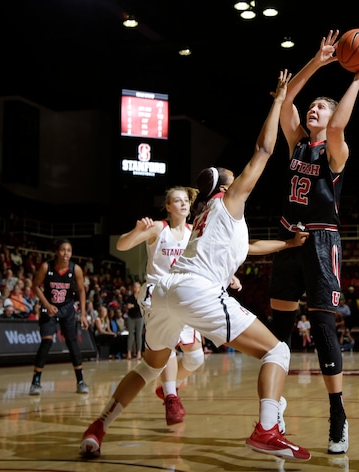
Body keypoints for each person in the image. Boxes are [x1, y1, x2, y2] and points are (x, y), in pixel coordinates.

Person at [80, 70, 312, 462]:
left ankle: (98, 426)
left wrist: (288, 244)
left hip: (167, 293)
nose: (237, 174)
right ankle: (267, 429)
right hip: (196, 290)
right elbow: (265, 150)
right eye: (230, 174)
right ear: (224, 184)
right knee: (278, 353)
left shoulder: (211, 215)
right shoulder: (230, 197)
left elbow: (251, 246)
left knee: (150, 367)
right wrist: (278, 101)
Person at [266, 30, 359, 455]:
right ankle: (274, 404)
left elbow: (338, 124)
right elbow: (286, 99)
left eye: (321, 106)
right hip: (288, 240)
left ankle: (337, 414)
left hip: (321, 242)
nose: (313, 108)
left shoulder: (335, 151)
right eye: (313, 106)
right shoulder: (295, 142)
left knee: (323, 327)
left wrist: (356, 80)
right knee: (279, 332)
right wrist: (318, 60)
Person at [115, 185, 206, 425]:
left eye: (186, 200)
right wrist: (136, 231)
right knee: (169, 347)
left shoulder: (193, 232)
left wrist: (230, 278)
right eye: (177, 201)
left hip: (184, 295)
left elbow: (204, 263)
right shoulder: (158, 228)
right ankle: (172, 397)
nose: (183, 204)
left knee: (196, 358)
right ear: (168, 207)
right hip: (157, 294)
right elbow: (121, 246)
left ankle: (169, 387)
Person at [29, 238, 89, 396]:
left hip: (68, 308)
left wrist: (82, 314)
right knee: (46, 341)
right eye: (63, 250)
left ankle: (80, 380)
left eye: (68, 250)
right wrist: (47, 305)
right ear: (56, 252)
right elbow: (35, 285)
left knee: (72, 342)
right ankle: (36, 381)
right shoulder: (46, 267)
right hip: (48, 308)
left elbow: (82, 291)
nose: (66, 253)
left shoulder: (75, 269)